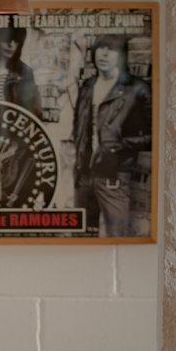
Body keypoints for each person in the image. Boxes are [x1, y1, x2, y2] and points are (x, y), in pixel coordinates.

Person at [71, 33, 152, 236]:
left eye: (112, 49)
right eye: (101, 48)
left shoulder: (138, 89)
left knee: (117, 237)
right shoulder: (88, 87)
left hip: (115, 175)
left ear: (121, 55)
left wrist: (120, 145)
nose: (104, 54)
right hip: (83, 174)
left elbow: (155, 135)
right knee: (81, 238)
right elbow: (79, 127)